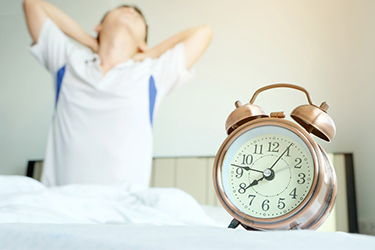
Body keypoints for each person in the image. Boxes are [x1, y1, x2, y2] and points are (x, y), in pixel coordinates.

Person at [23, 0, 213, 190]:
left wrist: (151, 53)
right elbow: (32, 5)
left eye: (137, 16)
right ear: (99, 27)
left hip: (123, 206)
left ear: (143, 44)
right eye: (122, 9)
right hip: (60, 200)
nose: (130, 11)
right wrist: (90, 42)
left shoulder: (151, 74)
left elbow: (203, 33)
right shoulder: (69, 61)